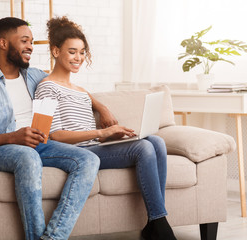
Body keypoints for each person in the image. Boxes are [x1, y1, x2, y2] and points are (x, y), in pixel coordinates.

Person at [0, 17, 115, 240]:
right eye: (24, 41)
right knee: (27, 157)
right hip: (2, 150)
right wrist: (13, 137)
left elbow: (68, 86)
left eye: (31, 41)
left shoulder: (34, 76)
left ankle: (52, 237)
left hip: (40, 144)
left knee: (89, 160)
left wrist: (102, 107)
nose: (31, 46)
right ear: (3, 44)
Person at [34, 16, 177, 240]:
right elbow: (54, 136)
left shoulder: (80, 90)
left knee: (156, 141)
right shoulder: (46, 88)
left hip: (94, 146)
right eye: (72, 52)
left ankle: (155, 222)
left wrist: (112, 130)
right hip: (79, 153)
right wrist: (103, 133)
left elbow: (92, 130)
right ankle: (159, 225)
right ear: (55, 51)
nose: (78, 58)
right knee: (143, 149)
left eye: (82, 52)